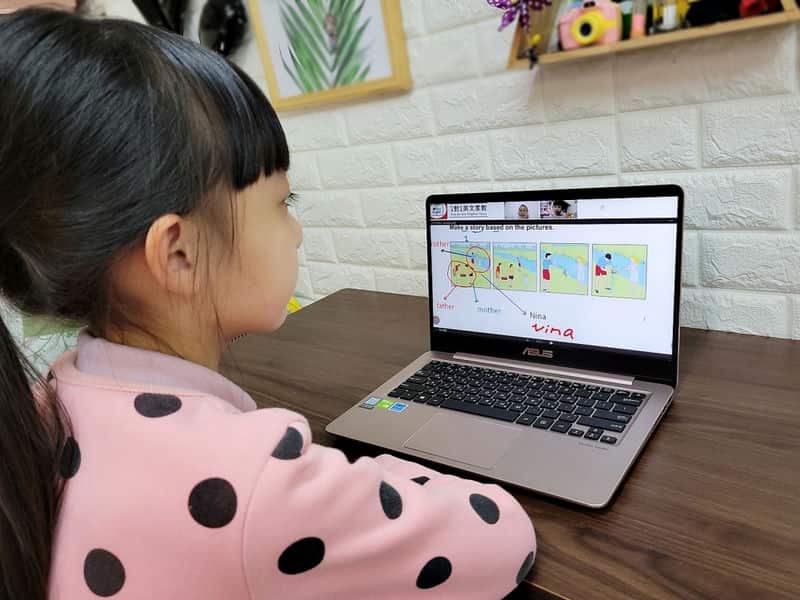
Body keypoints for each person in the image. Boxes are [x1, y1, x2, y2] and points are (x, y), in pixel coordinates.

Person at [0, 10, 536, 600]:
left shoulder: (48, 399)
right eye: (283, 202)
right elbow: (504, 539)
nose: (297, 233)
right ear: (178, 254)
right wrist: (365, 479)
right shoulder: (259, 483)